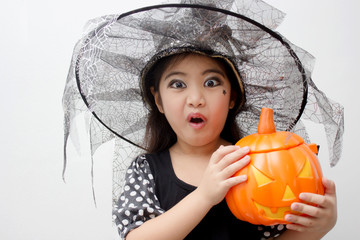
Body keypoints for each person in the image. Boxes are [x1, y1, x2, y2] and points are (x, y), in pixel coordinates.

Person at [63, 0, 344, 239]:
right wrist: (204, 195)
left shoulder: (254, 164)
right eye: (177, 84)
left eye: (211, 83)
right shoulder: (147, 170)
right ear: (158, 100)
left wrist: (315, 229)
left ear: (232, 97)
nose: (196, 98)